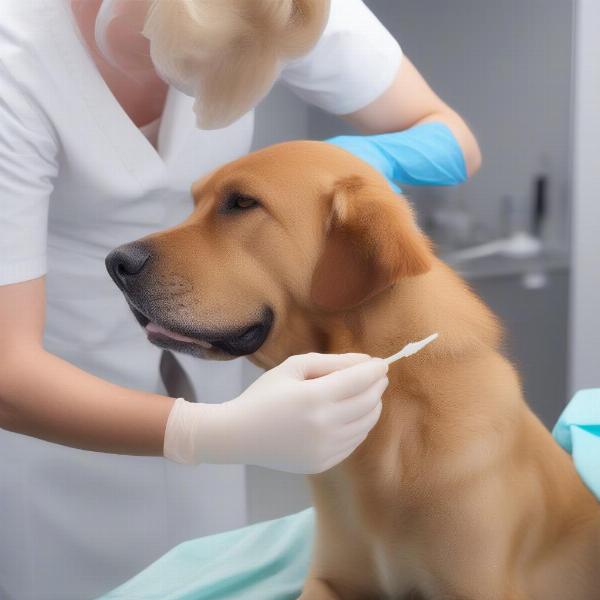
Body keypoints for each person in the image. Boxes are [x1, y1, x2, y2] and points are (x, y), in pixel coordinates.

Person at [0, 1, 481, 598]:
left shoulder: (286, 8)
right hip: (57, 417)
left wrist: (336, 172)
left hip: (214, 399)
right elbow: (5, 370)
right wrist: (210, 433)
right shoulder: (12, 68)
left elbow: (452, 138)